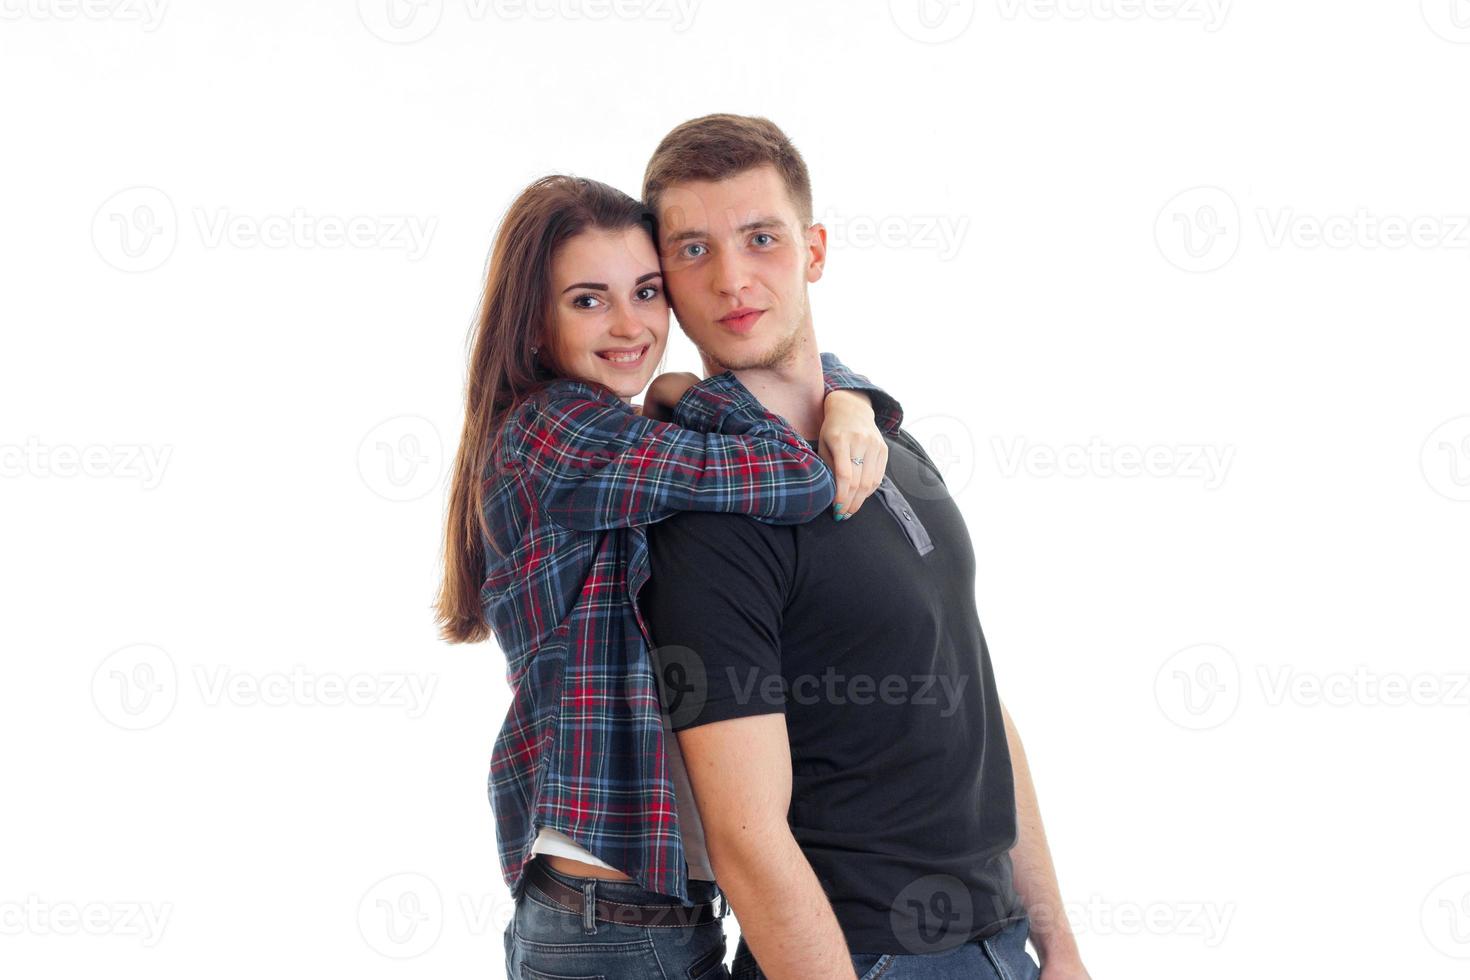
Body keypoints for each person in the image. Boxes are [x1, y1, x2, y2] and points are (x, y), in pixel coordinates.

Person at [635, 114, 1092, 979]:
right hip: (864, 959)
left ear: (812, 250)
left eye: (760, 238)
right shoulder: (710, 520)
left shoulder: (887, 441)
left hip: (998, 949)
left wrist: (1058, 944)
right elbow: (747, 839)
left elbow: (979, 702)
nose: (732, 277)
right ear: (665, 281)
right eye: (693, 250)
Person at [434, 173, 905, 979]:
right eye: (588, 300)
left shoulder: (618, 437)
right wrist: (694, 390)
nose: (630, 325)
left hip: (635, 917)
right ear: (534, 319)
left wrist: (850, 399)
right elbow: (792, 476)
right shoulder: (556, 433)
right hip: (610, 928)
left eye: (647, 292)